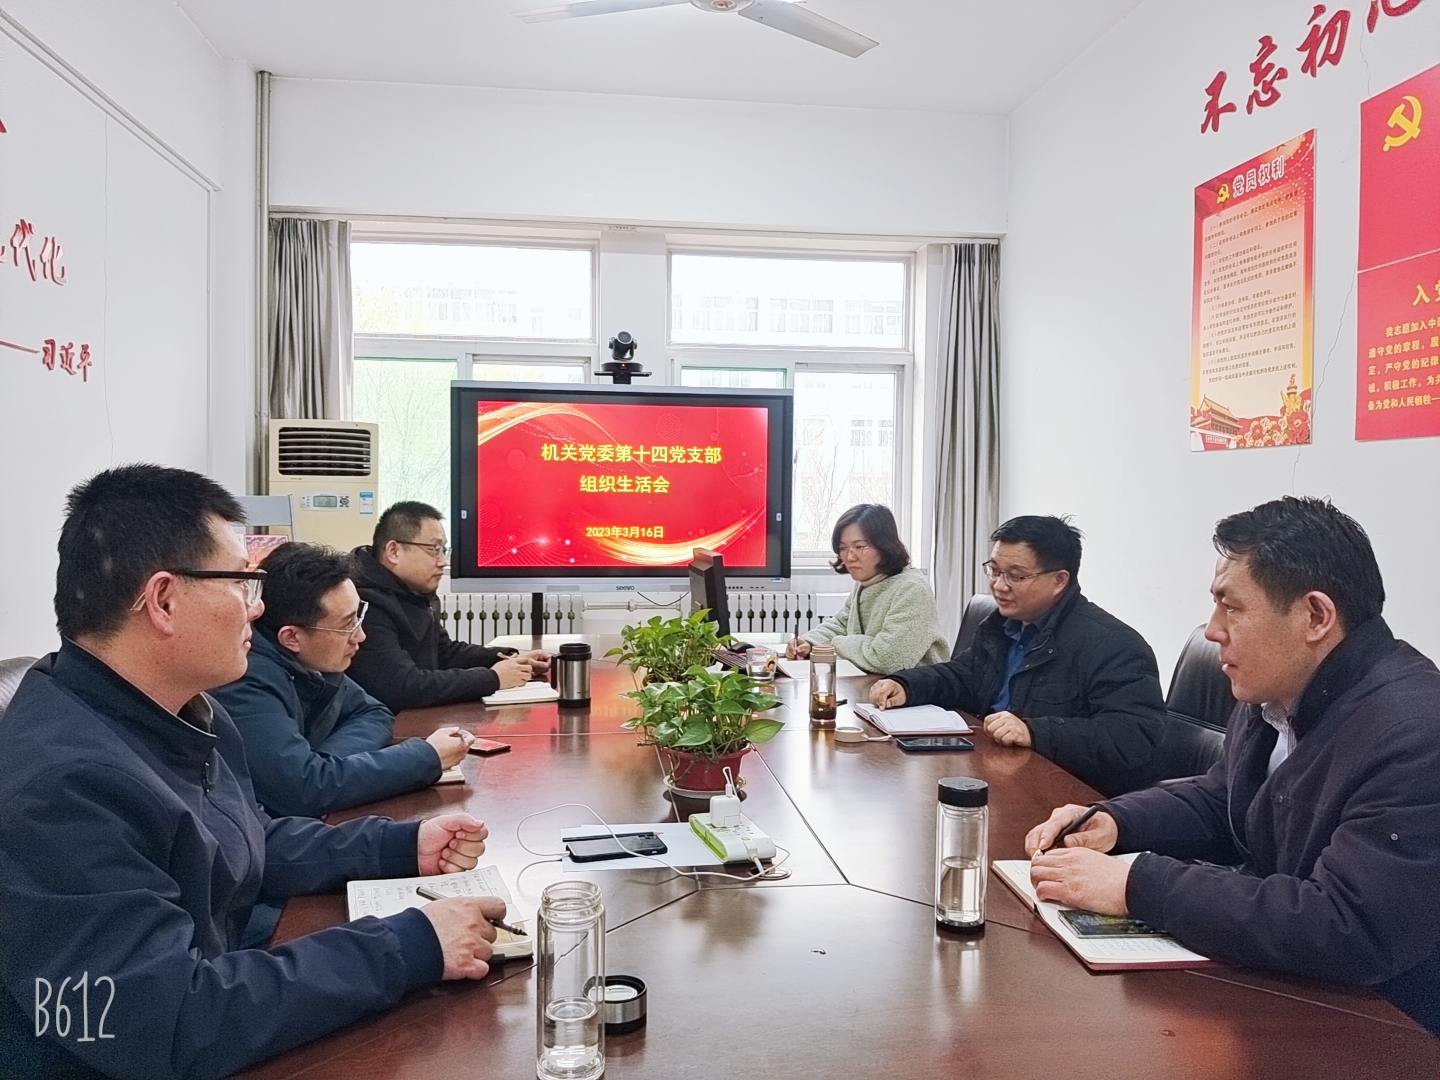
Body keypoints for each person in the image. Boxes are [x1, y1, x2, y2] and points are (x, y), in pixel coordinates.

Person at [0, 465, 508, 1080]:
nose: (259, 605)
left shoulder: (181, 708)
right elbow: (165, 1020)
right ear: (164, 600)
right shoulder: (63, 785)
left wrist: (400, 844)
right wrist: (409, 944)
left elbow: (244, 838)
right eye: (243, 582)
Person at [1025, 498, 1440, 1034]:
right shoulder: (1275, 689)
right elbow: (1225, 800)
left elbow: (1349, 926)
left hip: (1386, 1028)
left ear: (1316, 616)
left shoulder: (1415, 732)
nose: (1213, 629)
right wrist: (1116, 821)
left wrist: (1139, 884)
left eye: (1233, 607)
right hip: (1286, 987)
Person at [869, 515, 1164, 796]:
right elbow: (963, 676)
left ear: (1060, 580)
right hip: (994, 771)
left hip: (1061, 796)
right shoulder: (1002, 625)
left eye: (1016, 576)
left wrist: (1034, 731)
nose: (999, 585)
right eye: (995, 571)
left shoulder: (1113, 644)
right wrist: (907, 685)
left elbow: (1133, 738)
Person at [211, 542, 475, 818]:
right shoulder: (245, 682)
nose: (360, 636)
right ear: (291, 638)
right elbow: (304, 790)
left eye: (358, 617)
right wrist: (427, 757)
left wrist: (326, 763)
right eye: (347, 624)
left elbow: (374, 712)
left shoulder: (315, 660)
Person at [347, 501, 549, 710]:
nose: (443, 561)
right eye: (434, 550)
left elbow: (444, 652)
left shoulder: (413, 592)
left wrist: (510, 657)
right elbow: (402, 686)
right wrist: (493, 678)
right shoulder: (365, 603)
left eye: (444, 550)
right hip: (386, 722)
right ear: (394, 551)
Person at [786, 504, 948, 673]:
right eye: (843, 548)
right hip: (873, 681)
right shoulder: (866, 583)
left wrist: (835, 644)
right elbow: (842, 623)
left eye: (859, 547)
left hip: (916, 687)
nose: (849, 556)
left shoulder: (912, 589)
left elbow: (887, 659)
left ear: (884, 546)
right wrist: (809, 641)